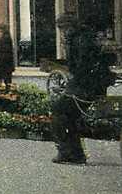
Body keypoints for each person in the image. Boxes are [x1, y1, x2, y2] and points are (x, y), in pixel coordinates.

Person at [50, 13, 117, 165]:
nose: (62, 33)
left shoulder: (78, 40)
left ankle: (68, 152)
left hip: (87, 87)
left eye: (62, 29)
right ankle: (75, 153)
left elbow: (82, 67)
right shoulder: (85, 36)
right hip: (94, 84)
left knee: (58, 110)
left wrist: (71, 86)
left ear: (67, 27)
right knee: (69, 113)